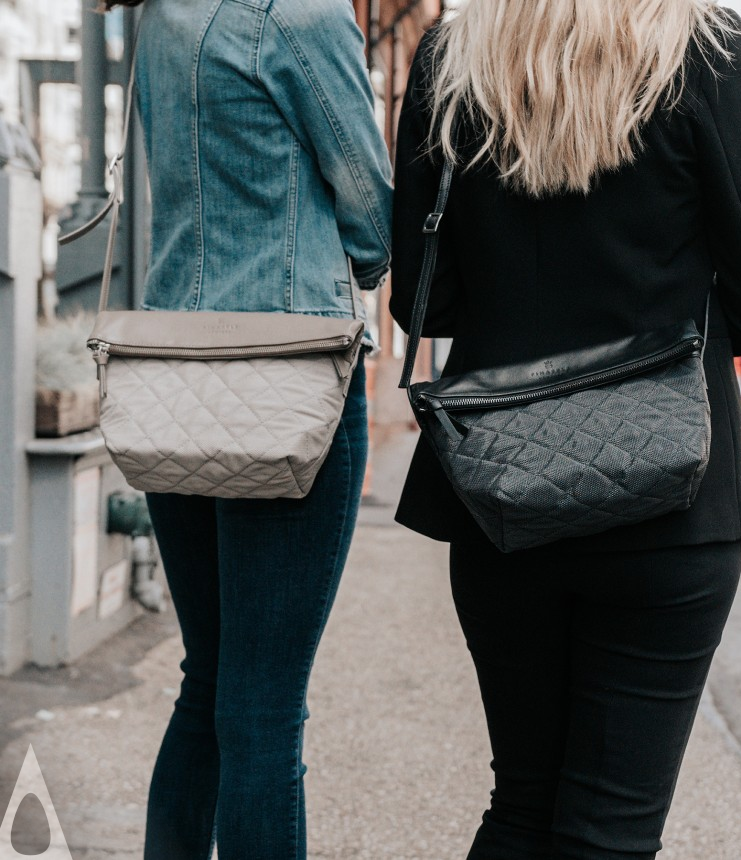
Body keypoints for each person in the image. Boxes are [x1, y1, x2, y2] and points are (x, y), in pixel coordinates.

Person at [390, 2, 741, 858]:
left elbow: (424, 299)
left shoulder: (450, 57)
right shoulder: (705, 47)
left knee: (521, 803)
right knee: (610, 828)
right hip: (671, 494)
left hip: (501, 486)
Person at [102, 0, 392, 858]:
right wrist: (362, 262)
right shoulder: (302, 15)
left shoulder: (162, 18)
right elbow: (373, 213)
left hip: (176, 382)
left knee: (209, 685)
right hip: (288, 382)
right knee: (265, 707)